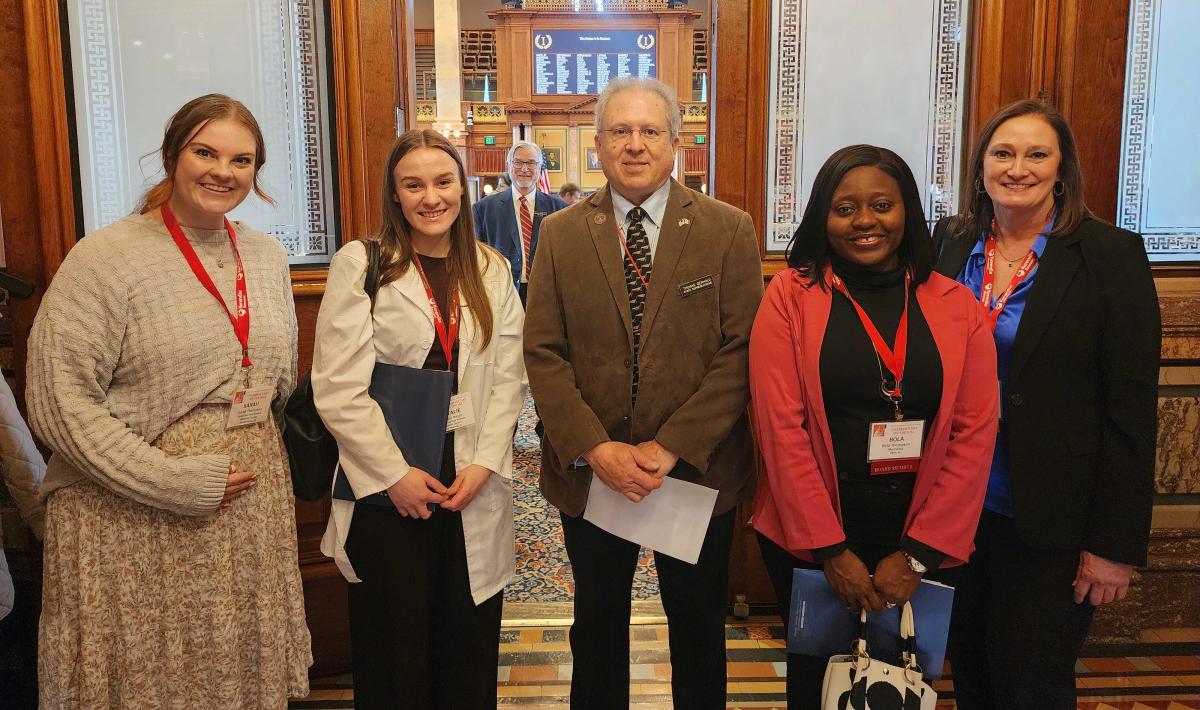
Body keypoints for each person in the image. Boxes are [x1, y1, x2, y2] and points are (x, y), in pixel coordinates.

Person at [26, 94, 311, 708]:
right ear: (171, 156)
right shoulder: (106, 258)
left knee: (233, 678)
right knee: (149, 682)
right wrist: (172, 481)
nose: (221, 171)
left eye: (241, 159)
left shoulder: (265, 255)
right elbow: (58, 404)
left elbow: (275, 379)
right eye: (204, 152)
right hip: (129, 513)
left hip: (245, 513)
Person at [524, 76, 764, 710]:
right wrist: (596, 448)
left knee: (697, 630)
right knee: (597, 627)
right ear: (597, 145)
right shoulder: (560, 234)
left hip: (694, 475)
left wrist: (673, 445)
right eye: (619, 132)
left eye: (649, 131)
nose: (634, 145)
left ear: (675, 142)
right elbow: (542, 353)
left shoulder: (728, 230)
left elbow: (741, 352)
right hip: (594, 474)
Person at [749, 145, 999, 708]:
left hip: (922, 536)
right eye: (845, 208)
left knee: (903, 684)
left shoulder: (956, 305)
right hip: (811, 536)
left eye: (882, 205)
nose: (865, 221)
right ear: (822, 217)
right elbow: (780, 429)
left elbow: (973, 434)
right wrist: (829, 550)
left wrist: (918, 555)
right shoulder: (790, 297)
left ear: (907, 210)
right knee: (817, 688)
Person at [936, 100, 1160, 710]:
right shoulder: (950, 243)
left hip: (1051, 515)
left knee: (1030, 679)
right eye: (1003, 153)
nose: (1018, 168)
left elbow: (1131, 409)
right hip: (956, 506)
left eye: (1038, 154)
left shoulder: (1110, 256)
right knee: (971, 669)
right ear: (981, 164)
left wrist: (1113, 546)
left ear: (1063, 170)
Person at [312, 128, 526, 709]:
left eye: (442, 181)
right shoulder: (363, 263)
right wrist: (392, 474)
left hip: (469, 477)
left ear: (463, 186)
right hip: (389, 480)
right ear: (395, 194)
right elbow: (336, 386)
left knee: (468, 645)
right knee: (396, 650)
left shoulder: (491, 267)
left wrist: (484, 464)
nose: (430, 197)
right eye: (414, 185)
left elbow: (509, 376)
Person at [473, 141, 569, 304]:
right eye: (518, 162)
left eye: (531, 163)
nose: (524, 169)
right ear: (509, 165)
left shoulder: (560, 209)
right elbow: (477, 258)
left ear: (539, 168)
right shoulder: (483, 209)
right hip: (500, 297)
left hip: (547, 297)